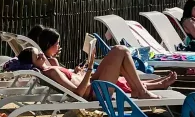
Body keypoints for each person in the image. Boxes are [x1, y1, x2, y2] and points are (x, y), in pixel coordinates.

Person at [30, 26, 177, 100]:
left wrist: (79, 73)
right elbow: (78, 93)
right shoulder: (51, 71)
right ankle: (141, 91)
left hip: (92, 83)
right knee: (120, 51)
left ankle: (140, 90)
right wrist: (88, 68)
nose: (41, 55)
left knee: (120, 51)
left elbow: (73, 83)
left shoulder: (50, 67)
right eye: (38, 56)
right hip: (94, 92)